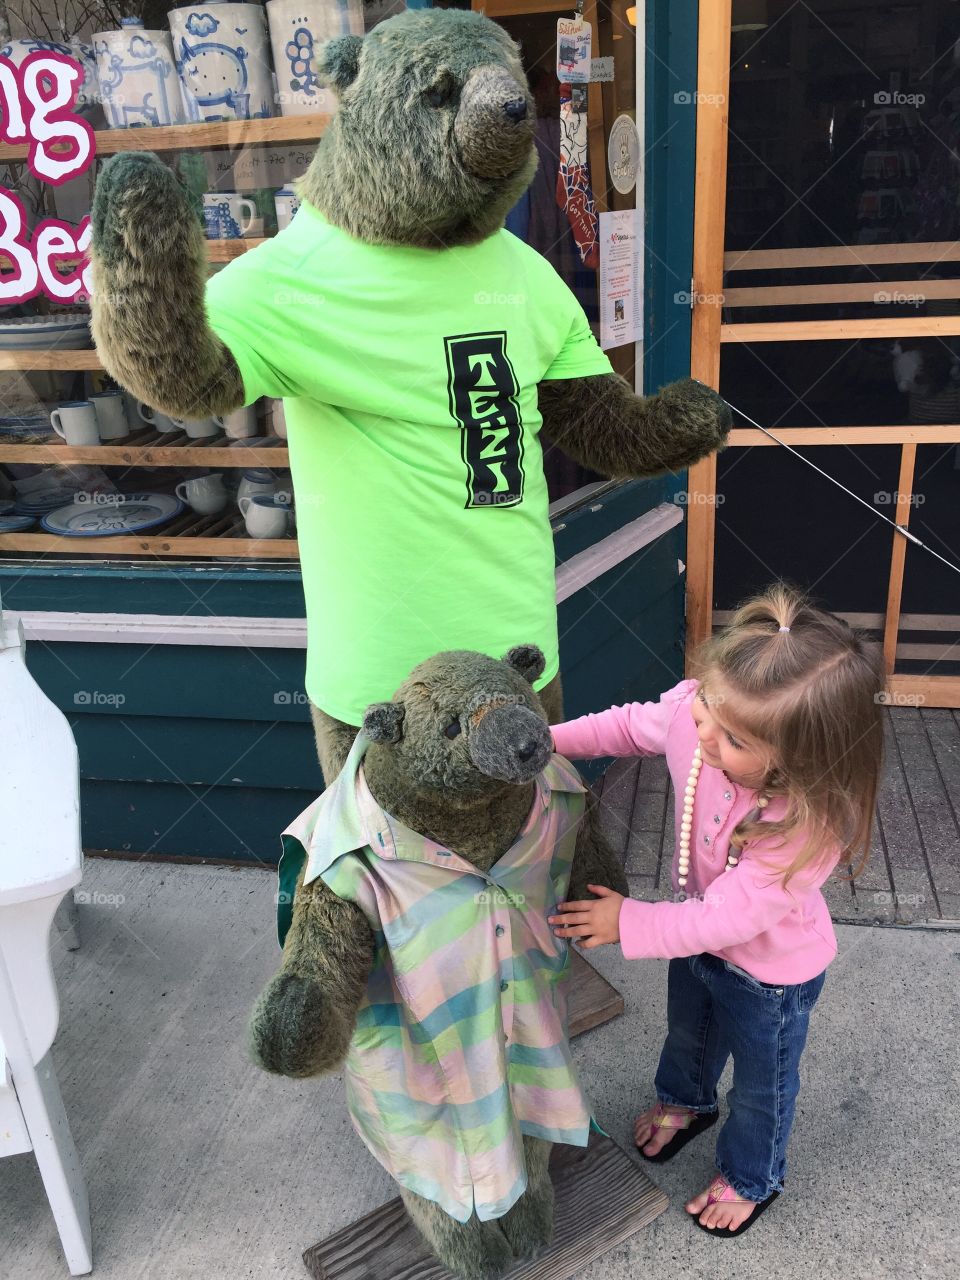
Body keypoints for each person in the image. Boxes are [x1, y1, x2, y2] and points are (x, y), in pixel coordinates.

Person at [548, 583, 885, 1237]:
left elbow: (731, 916)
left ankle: (751, 1177)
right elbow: (628, 724)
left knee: (763, 1088)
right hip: (696, 939)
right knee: (689, 1034)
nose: (701, 728)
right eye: (705, 697)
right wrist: (551, 741)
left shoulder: (805, 826)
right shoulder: (700, 717)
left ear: (799, 762)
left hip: (771, 979)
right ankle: (685, 1101)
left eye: (730, 737)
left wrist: (632, 922)